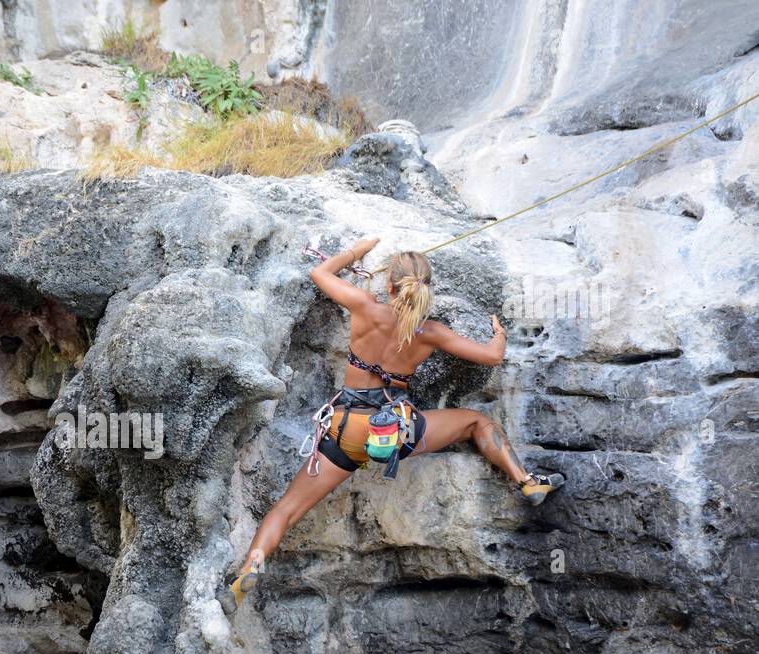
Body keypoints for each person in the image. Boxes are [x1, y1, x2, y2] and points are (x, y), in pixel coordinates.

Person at [221, 239, 563, 614]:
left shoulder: (365, 307)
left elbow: (320, 272)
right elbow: (493, 357)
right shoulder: (430, 332)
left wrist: (358, 251)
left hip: (346, 428)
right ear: (427, 288)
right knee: (476, 422)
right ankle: (526, 480)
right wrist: (498, 332)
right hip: (396, 431)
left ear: (389, 286)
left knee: (286, 509)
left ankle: (252, 564)